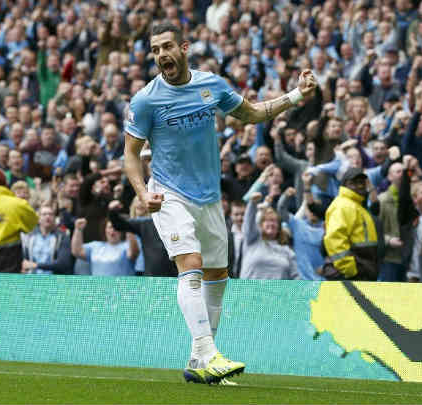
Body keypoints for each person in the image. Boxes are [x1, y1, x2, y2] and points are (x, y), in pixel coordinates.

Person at [123, 22, 317, 384]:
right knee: (191, 264)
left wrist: (295, 96)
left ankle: (198, 363)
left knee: (216, 276)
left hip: (209, 197)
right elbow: (130, 155)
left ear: (184, 48)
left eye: (167, 47)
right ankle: (209, 351)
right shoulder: (146, 100)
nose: (162, 55)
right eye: (155, 50)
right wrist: (141, 193)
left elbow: (253, 112)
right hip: (168, 193)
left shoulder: (210, 85)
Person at [320, 167, 379, 281]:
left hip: (362, 271)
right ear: (345, 185)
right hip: (352, 274)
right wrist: (349, 269)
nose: (360, 185)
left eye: (362, 182)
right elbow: (336, 239)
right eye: (353, 183)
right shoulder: (343, 206)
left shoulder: (356, 205)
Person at [239, 192, 299, 280]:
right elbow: (248, 223)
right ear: (260, 225)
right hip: (249, 292)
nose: (271, 223)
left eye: (274, 221)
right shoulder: (252, 240)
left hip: (277, 293)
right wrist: (252, 204)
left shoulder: (287, 251)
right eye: (267, 221)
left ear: (279, 227)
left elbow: (296, 276)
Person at [70, 217, 138, 276]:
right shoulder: (95, 246)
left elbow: (133, 253)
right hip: (98, 290)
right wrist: (78, 229)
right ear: (105, 230)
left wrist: (129, 229)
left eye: (116, 228)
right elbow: (76, 251)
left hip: (121, 289)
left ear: (122, 230)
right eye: (110, 227)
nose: (113, 230)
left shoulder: (127, 246)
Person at [21, 204, 74, 275]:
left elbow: (63, 263)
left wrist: (36, 265)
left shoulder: (62, 237)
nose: (48, 216)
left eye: (51, 214)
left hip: (54, 280)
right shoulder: (29, 237)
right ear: (38, 219)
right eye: (44, 214)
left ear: (54, 218)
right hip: (32, 278)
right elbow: (24, 261)